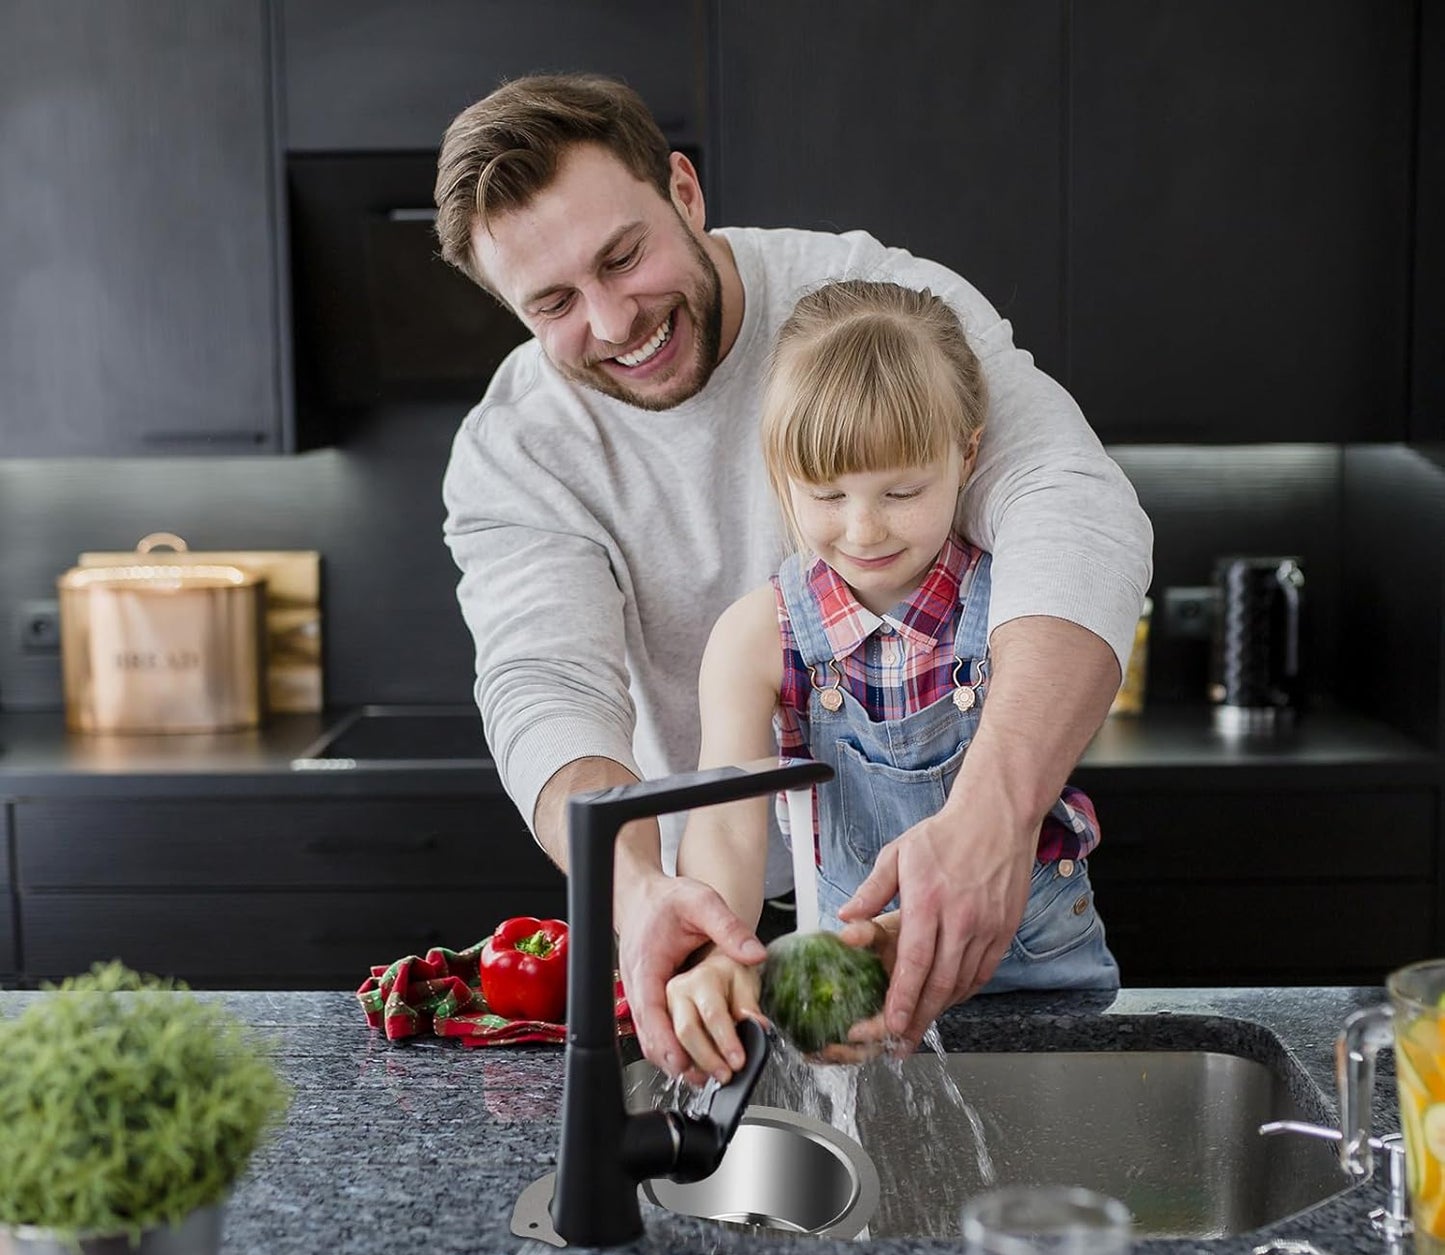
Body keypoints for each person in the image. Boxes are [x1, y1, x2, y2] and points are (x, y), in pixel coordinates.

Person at [435, 73, 1152, 1078]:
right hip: (716, 908)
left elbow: (1068, 503)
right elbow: (544, 683)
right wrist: (633, 890)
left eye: (622, 257)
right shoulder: (515, 447)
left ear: (683, 191)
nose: (610, 320)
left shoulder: (871, 309)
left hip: (987, 907)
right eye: (552, 303)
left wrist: (992, 819)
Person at [665, 281, 1119, 1081]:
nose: (863, 527)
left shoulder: (1022, 611)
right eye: (827, 494)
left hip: (1045, 987)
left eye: (901, 492)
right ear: (780, 474)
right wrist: (717, 951)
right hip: (859, 1006)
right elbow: (727, 829)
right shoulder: (754, 636)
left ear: (966, 455)